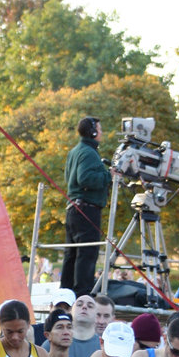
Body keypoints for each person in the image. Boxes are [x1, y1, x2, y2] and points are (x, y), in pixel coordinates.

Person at [60, 116, 111, 296]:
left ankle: (65, 294)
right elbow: (85, 179)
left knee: (71, 255)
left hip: (74, 209)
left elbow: (71, 178)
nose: (102, 133)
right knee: (86, 254)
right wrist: (108, 176)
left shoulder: (75, 151)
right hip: (86, 209)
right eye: (100, 129)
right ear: (93, 132)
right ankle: (82, 295)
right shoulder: (89, 153)